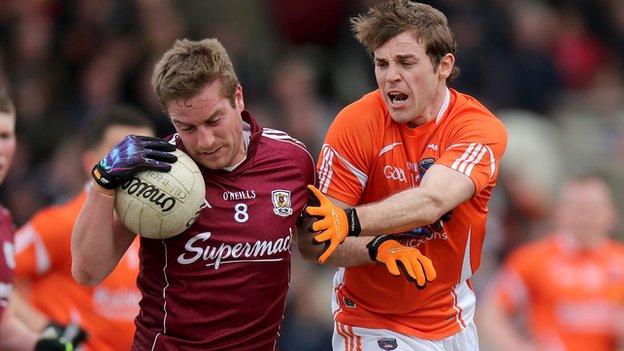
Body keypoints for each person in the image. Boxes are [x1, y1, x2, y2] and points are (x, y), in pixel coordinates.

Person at [71, 38, 315, 350]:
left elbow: (316, 244)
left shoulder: (292, 160)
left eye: (214, 120)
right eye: (187, 127)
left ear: (237, 98)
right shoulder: (155, 173)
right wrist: (102, 183)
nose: (206, 141)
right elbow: (87, 271)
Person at [297, 1, 508, 350]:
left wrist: (349, 222)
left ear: (444, 65)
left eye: (406, 63)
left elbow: (433, 201)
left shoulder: (477, 128)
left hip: (454, 315)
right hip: (371, 321)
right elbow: (314, 242)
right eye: (382, 63)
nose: (390, 76)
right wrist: (377, 247)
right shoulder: (355, 124)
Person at [11, 106, 154, 351]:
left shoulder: (157, 230)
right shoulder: (61, 223)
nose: (135, 164)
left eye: (144, 154)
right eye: (122, 154)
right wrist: (45, 328)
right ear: (91, 162)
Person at [478, 175, 624, 351]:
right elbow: (490, 313)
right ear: (559, 212)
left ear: (611, 213)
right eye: (577, 208)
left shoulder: (620, 260)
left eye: (592, 208)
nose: (584, 217)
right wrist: (518, 347)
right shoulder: (533, 259)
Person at [0, 89, 85, 350]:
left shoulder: (3, 223)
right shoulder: (59, 223)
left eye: (5, 136)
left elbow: (2, 327)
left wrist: (42, 343)